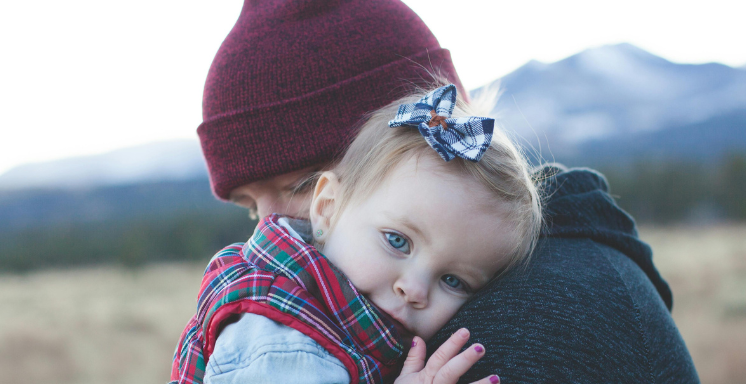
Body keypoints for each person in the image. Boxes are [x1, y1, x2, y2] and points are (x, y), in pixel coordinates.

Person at [183, 0, 700, 382]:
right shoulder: (300, 325)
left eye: (295, 184)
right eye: (251, 207)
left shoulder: (516, 326)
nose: (269, 231)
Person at [172, 84, 542, 384]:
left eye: (453, 280)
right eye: (397, 241)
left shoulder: (340, 321)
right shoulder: (285, 342)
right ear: (327, 207)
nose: (414, 290)